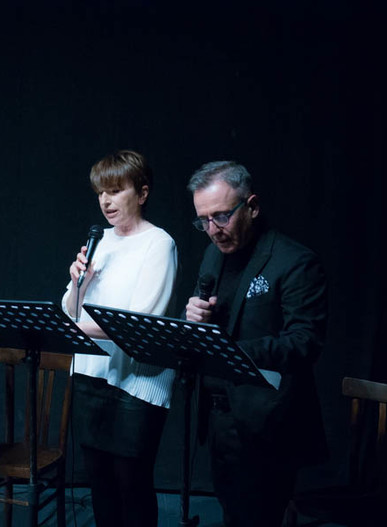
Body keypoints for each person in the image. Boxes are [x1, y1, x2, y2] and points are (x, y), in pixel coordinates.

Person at [184, 161, 327, 527]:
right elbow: (218, 321)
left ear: (252, 206)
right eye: (204, 220)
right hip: (220, 418)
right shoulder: (214, 253)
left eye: (221, 216)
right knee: (232, 514)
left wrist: (232, 352)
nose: (213, 230)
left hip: (269, 423)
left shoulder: (294, 261)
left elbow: (304, 342)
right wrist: (196, 318)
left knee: (257, 518)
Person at [62, 150, 178, 527]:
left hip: (136, 383)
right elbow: (69, 310)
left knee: (132, 485)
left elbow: (140, 322)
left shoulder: (158, 243)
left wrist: (73, 329)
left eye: (115, 190)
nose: (106, 201)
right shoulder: (101, 241)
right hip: (91, 375)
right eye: (100, 192)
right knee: (100, 484)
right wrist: (81, 281)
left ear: (142, 194)